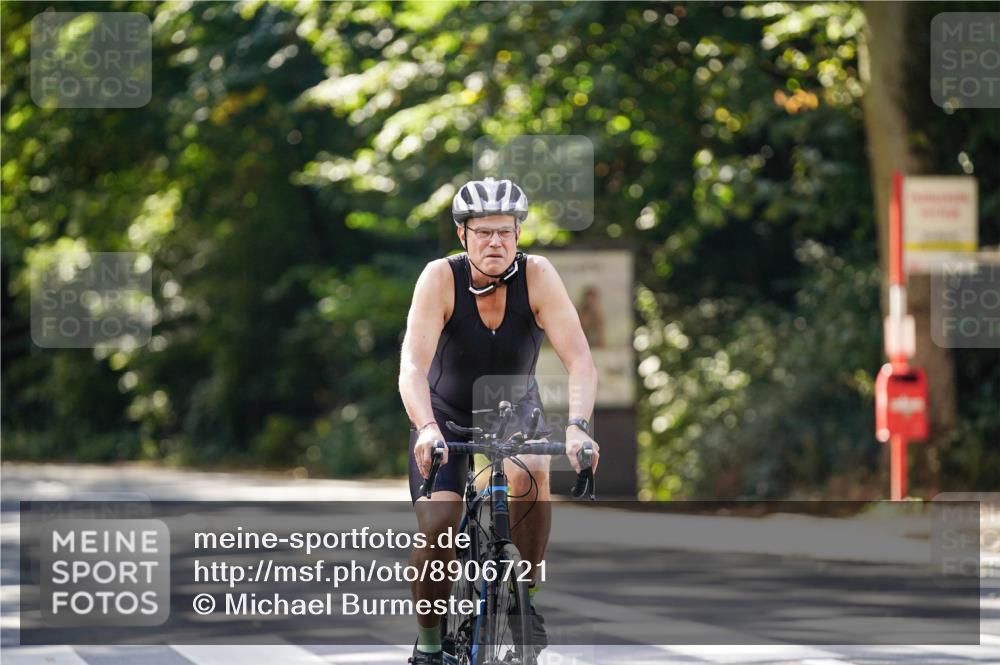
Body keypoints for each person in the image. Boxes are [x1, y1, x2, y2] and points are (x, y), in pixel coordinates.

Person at [398, 177, 600, 664]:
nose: (495, 242)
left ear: (517, 234)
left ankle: (524, 603)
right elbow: (412, 368)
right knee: (439, 525)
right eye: (483, 232)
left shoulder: (538, 275)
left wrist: (577, 425)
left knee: (532, 474)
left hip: (513, 406)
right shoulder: (439, 278)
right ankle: (428, 645)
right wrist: (427, 428)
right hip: (443, 414)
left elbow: (580, 362)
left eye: (506, 232)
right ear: (462, 235)